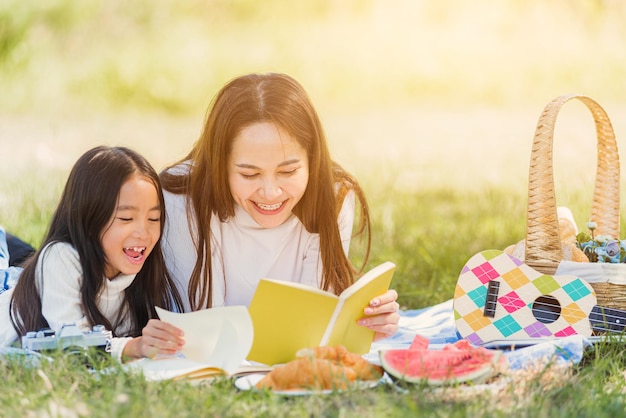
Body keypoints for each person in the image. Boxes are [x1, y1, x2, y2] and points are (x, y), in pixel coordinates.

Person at [160, 72, 400, 340]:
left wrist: (356, 326)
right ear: (220, 165)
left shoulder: (332, 196)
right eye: (249, 175)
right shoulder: (181, 199)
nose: (271, 192)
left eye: (288, 171)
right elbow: (203, 331)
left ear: (312, 160)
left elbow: (312, 325)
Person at [0, 146, 185, 362]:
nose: (144, 233)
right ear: (89, 219)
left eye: (154, 219)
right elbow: (73, 346)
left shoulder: (141, 269)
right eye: (126, 218)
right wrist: (132, 347)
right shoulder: (60, 257)